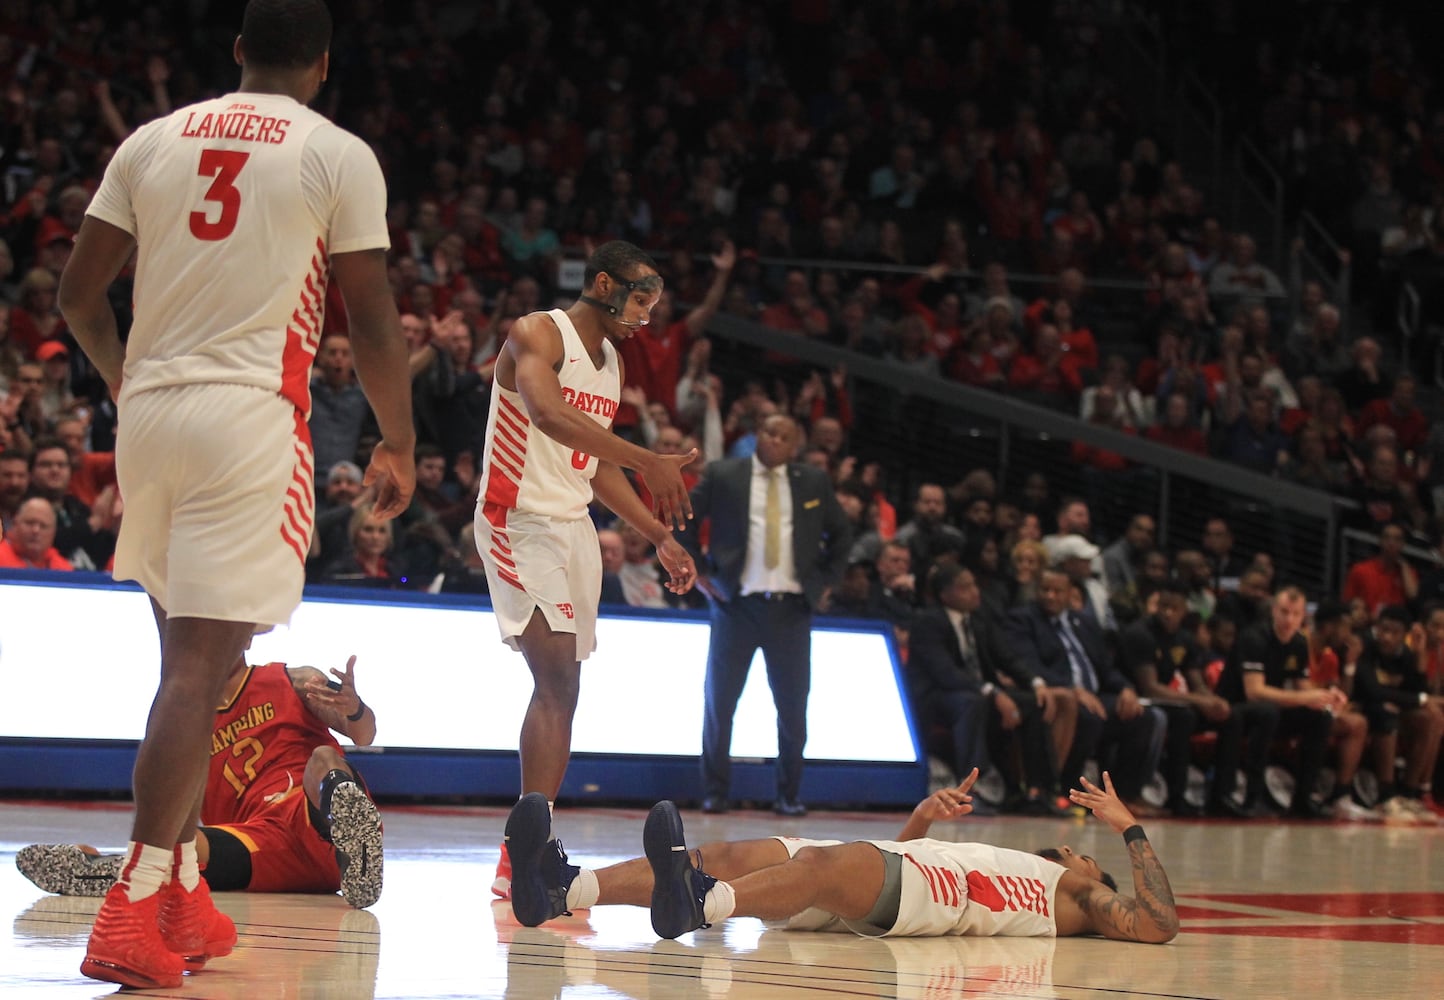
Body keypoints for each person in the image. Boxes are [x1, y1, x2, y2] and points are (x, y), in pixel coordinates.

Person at [55, 2, 416, 989]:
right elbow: (374, 324)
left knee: (195, 666)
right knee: (203, 668)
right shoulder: (334, 152)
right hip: (249, 416)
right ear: (324, 65)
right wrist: (399, 436)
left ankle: (178, 888)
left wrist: (128, 381)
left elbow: (77, 299)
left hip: (152, 413)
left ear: (237, 51)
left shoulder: (152, 138)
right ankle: (131, 907)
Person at [476, 239, 698, 900]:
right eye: (638, 299)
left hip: (571, 527)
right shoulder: (536, 332)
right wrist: (647, 459)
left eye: (653, 305)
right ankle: (524, 852)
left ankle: (528, 845)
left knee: (566, 689)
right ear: (603, 283)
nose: (645, 316)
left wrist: (657, 533)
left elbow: (591, 462)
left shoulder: (610, 362)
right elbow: (548, 415)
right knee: (555, 678)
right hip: (518, 518)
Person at [503, 768, 1179, 944]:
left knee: (827, 867)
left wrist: (1129, 829)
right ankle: (561, 888)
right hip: (908, 871)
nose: (1067, 850)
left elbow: (1156, 925)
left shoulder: (1076, 896)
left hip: (934, 898)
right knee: (728, 851)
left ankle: (700, 905)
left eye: (1079, 854)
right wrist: (919, 819)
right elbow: (892, 862)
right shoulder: (1021, 863)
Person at [16, 653, 384, 906]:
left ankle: (355, 845)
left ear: (246, 636)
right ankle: (97, 870)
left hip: (314, 814)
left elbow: (364, 734)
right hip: (260, 839)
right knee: (181, 850)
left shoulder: (294, 679)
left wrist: (354, 708)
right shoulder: (183, 719)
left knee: (323, 760)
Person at [683, 413, 852, 817]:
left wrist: (826, 580)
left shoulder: (812, 481)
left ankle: (789, 794)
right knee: (720, 702)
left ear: (795, 445)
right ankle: (716, 792)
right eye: (768, 431)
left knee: (793, 706)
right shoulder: (726, 474)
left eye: (784, 435)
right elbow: (684, 520)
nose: (774, 439)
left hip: (792, 609)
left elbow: (842, 533)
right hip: (735, 605)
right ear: (757, 435)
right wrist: (700, 571)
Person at [1004, 569, 1166, 818]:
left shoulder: (1084, 623)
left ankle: (1123, 796)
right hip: (1060, 695)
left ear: (1071, 594)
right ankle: (1067, 792)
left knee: (1143, 718)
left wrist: (1126, 688)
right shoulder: (1023, 619)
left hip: (1095, 695)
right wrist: (1073, 690)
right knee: (1089, 717)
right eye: (1045, 590)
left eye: (1057, 591)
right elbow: (1028, 664)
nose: (1050, 596)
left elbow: (1106, 668)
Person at [906, 563, 1064, 814]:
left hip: (977, 692)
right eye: (965, 587)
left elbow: (1007, 657)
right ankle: (970, 791)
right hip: (935, 697)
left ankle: (1038, 791)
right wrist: (993, 692)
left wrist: (1036, 682)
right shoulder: (928, 621)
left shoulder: (978, 620)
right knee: (972, 702)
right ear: (945, 594)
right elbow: (945, 673)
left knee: (1034, 703)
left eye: (974, 585)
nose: (975, 592)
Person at [1118, 581, 1277, 817]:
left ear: (1185, 611)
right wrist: (1200, 701)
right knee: (1185, 718)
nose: (1168, 613)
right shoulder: (1140, 633)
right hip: (1139, 699)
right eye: (1163, 606)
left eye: (1174, 608)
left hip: (1174, 702)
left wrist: (1212, 701)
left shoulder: (1184, 638)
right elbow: (1151, 688)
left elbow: (1196, 681)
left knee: (1230, 717)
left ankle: (1222, 796)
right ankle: (1176, 796)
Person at [1215, 586, 1372, 820]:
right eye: (1284, 612)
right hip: (1236, 709)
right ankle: (1253, 797)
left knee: (1320, 717)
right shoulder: (1254, 637)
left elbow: (1303, 687)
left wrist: (1327, 698)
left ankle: (1304, 798)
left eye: (1295, 614)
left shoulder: (1299, 643)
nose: (1289, 619)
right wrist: (1307, 697)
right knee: (1267, 713)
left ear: (1303, 616)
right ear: (1274, 611)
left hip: (1272, 711)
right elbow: (1254, 692)